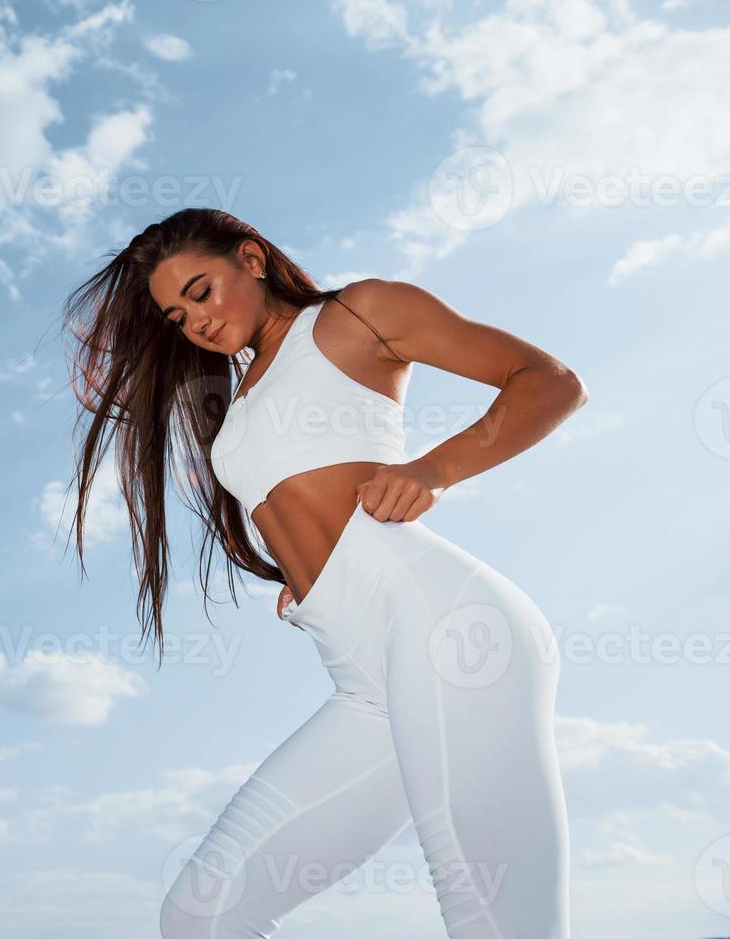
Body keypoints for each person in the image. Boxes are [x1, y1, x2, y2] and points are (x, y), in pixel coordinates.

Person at [61, 208, 586, 938]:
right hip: (360, 671)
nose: (195, 324)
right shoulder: (238, 394)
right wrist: (310, 578)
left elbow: (551, 382)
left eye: (202, 292)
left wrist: (435, 470)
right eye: (177, 316)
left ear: (251, 258)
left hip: (448, 632)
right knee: (200, 915)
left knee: (496, 919)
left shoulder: (358, 314)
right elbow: (302, 485)